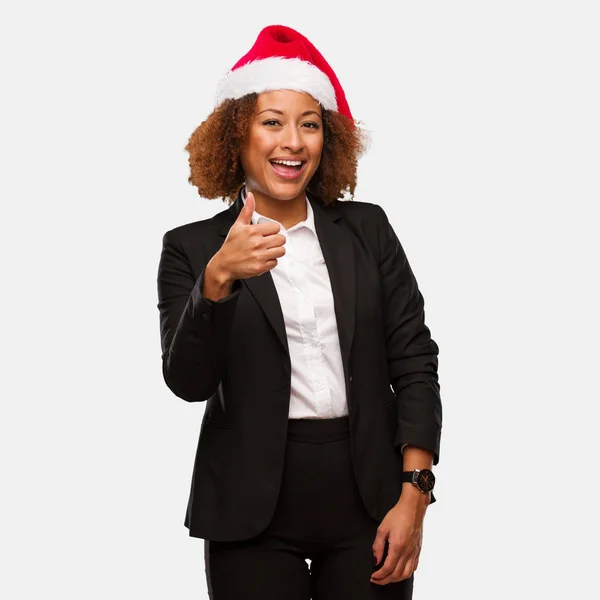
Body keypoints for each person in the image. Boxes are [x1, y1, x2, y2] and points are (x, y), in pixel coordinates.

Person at [156, 24, 442, 600]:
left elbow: (413, 360)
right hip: (250, 508)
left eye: (309, 124)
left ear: (327, 139)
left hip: (368, 497)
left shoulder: (368, 230)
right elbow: (188, 382)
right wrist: (219, 279)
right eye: (272, 122)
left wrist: (415, 494)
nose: (293, 142)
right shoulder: (190, 248)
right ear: (235, 136)